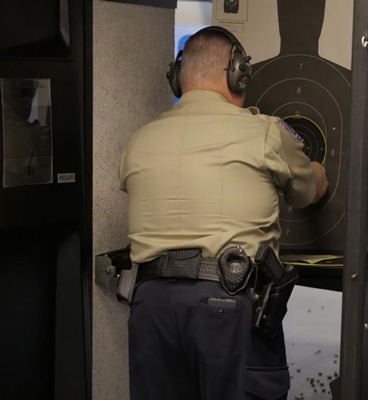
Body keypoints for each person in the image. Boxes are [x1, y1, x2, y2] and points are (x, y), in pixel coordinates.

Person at [119, 26, 329, 400]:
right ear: (237, 72)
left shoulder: (140, 140)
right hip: (228, 303)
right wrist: (319, 172)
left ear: (178, 77)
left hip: (151, 308)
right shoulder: (263, 134)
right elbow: (309, 191)